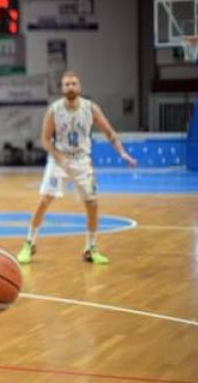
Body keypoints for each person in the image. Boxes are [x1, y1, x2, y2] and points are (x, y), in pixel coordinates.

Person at [16, 71, 137, 265]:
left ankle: (90, 248)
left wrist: (122, 152)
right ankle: (29, 243)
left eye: (74, 83)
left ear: (79, 87)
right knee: (44, 200)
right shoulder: (54, 110)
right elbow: (45, 140)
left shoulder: (91, 108)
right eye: (67, 84)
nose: (71, 87)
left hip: (82, 161)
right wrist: (59, 157)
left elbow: (109, 133)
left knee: (93, 204)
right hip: (58, 160)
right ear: (62, 88)